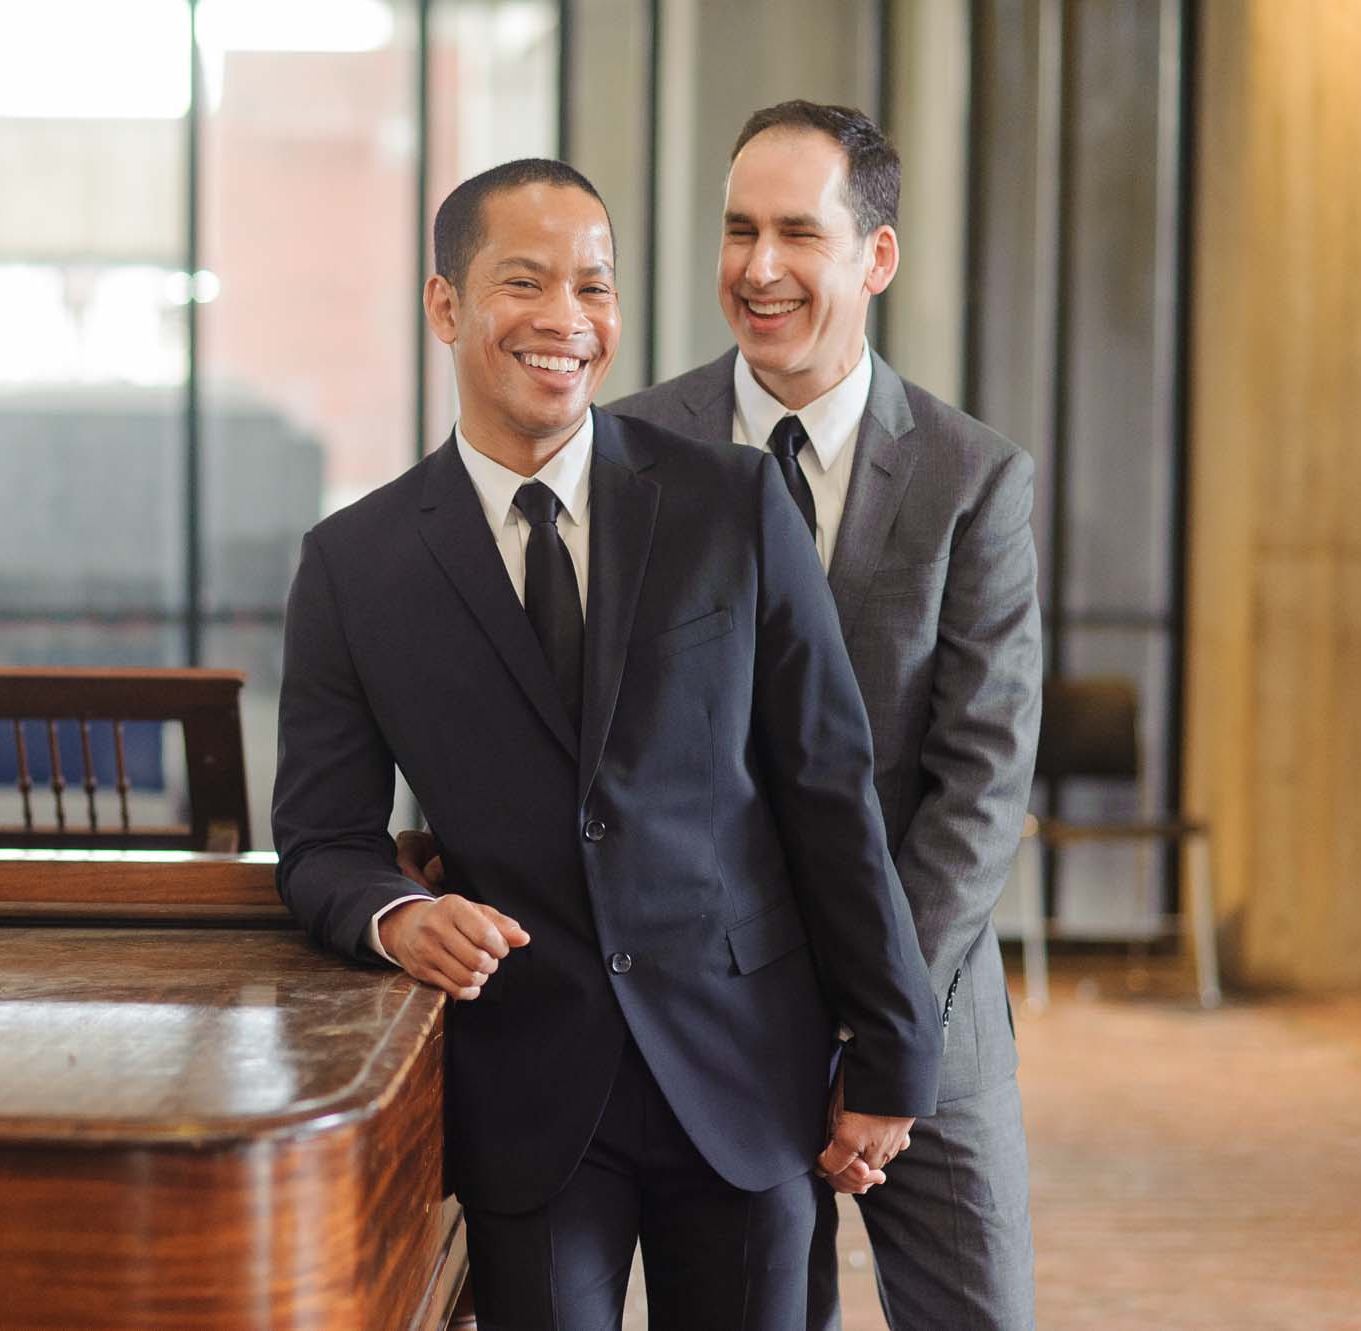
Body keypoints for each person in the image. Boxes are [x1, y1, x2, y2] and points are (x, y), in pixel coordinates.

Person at [272, 156, 942, 1331]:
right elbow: (320, 838)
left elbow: (826, 789)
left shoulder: (733, 505)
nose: (564, 321)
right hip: (529, 1090)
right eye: (522, 283)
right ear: (444, 306)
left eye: (593, 287)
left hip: (742, 1072)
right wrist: (398, 914)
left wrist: (889, 1049)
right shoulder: (353, 564)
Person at [608, 101, 1044, 1330]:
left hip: (927, 1004)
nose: (757, 268)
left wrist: (879, 1017)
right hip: (712, 1022)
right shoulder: (629, 449)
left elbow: (978, 782)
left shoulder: (973, 479)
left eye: (797, 233)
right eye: (738, 230)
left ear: (875, 256)